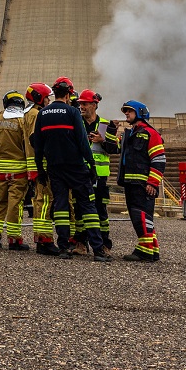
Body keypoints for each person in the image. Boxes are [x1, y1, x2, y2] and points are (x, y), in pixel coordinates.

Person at [33, 78, 110, 262]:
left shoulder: (42, 114)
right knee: (88, 205)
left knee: (61, 206)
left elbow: (38, 145)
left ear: (54, 93)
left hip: (54, 167)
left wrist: (40, 170)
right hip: (76, 167)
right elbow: (82, 141)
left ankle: (63, 248)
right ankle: (98, 250)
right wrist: (91, 164)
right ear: (68, 94)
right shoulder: (73, 112)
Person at [0, 90, 33, 251]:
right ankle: (14, 239)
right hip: (19, 172)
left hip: (1, 172)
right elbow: (28, 147)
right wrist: (32, 170)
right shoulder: (23, 122)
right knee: (15, 205)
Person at [118, 100, 166, 262]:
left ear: (140, 113)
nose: (126, 114)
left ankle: (144, 251)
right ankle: (153, 249)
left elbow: (159, 159)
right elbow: (118, 150)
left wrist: (152, 182)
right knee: (141, 216)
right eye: (125, 111)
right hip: (131, 183)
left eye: (129, 111)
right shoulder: (130, 134)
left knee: (141, 216)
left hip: (143, 184)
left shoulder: (151, 134)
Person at [76, 90, 120, 249]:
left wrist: (102, 140)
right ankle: (80, 243)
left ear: (94, 105)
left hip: (100, 176)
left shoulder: (105, 125)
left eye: (85, 104)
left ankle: (104, 245)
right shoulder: (76, 122)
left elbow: (115, 149)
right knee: (79, 210)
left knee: (101, 211)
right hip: (80, 174)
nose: (81, 107)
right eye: (80, 104)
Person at [23, 82, 58, 254]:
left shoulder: (27, 114)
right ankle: (45, 240)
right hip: (42, 165)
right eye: (47, 98)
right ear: (39, 98)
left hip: (33, 165)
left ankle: (40, 239)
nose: (49, 101)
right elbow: (34, 139)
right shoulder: (37, 115)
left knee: (39, 202)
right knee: (45, 202)